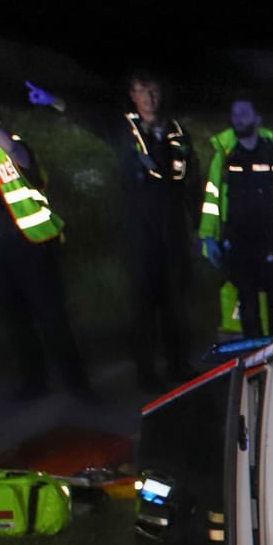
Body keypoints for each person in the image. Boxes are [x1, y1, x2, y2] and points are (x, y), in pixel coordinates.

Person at [29, 70, 198, 391]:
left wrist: (199, 226)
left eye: (153, 90)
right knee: (143, 304)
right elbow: (87, 118)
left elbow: (192, 180)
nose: (149, 97)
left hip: (173, 230)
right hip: (139, 231)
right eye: (141, 91)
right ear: (133, 96)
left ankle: (179, 365)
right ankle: (146, 373)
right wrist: (52, 100)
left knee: (174, 301)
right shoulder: (123, 128)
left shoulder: (178, 132)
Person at [0, 88, 93, 400]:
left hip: (28, 249)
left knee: (52, 319)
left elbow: (14, 149)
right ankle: (34, 384)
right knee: (16, 324)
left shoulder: (12, 150)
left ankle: (78, 386)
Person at [199, 100, 273, 339]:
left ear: (257, 119)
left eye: (245, 113)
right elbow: (212, 199)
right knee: (248, 308)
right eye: (235, 114)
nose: (239, 118)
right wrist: (208, 237)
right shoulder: (225, 157)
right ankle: (254, 364)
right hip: (239, 244)